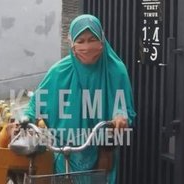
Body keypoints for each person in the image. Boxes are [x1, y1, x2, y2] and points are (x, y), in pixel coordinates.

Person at [23, 14, 136, 183]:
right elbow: (36, 102)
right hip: (64, 151)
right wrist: (24, 119)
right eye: (80, 41)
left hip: (102, 152)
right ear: (72, 44)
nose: (87, 46)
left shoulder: (116, 70)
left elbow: (123, 106)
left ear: (102, 40)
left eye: (92, 39)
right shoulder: (59, 71)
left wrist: (120, 118)